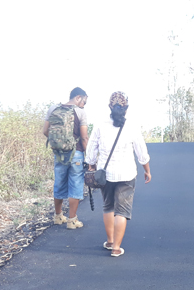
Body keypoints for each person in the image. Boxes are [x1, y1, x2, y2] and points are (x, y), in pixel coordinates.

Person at [86, 91, 152, 257]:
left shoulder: (100, 125)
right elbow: (142, 153)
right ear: (126, 108)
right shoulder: (132, 127)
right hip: (127, 174)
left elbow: (91, 150)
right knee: (122, 211)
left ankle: (109, 241)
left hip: (105, 175)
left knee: (108, 206)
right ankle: (116, 248)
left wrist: (92, 165)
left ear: (110, 107)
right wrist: (147, 171)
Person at [42, 88, 89, 229]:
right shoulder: (80, 112)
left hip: (59, 153)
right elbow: (84, 136)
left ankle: (58, 216)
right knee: (75, 184)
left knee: (59, 183)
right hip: (76, 153)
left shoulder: (53, 109)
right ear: (78, 97)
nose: (84, 105)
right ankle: (72, 220)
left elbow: (45, 131)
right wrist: (89, 156)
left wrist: (59, 143)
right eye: (84, 102)